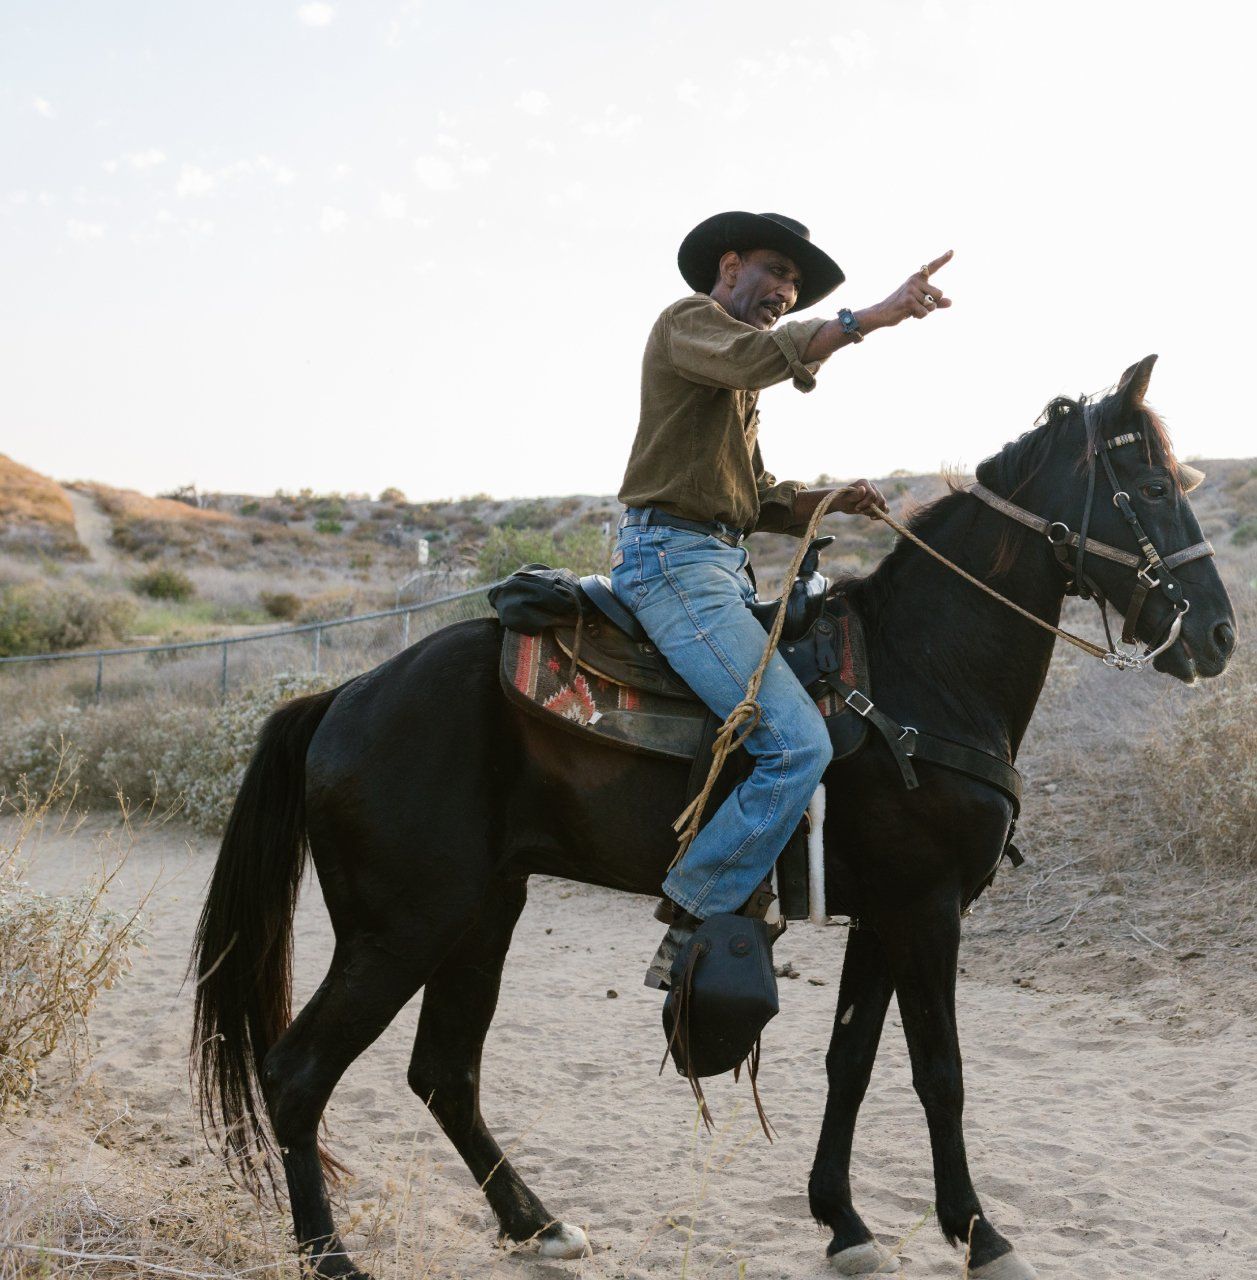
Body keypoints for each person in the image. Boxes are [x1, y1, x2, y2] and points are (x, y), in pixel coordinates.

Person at [610, 210, 953, 988]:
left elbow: (755, 496)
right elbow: (766, 357)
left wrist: (826, 501)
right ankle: (696, 913)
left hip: (715, 564)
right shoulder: (691, 324)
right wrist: (872, 317)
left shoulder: (732, 376)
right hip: (673, 563)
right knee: (798, 743)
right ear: (728, 266)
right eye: (776, 273)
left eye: (795, 286)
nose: (784, 292)